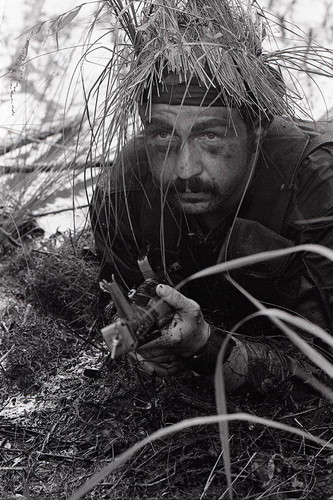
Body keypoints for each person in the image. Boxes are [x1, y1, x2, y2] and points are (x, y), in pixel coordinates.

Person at [90, 0, 333, 395]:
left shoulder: (316, 187)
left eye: (210, 135)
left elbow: (324, 367)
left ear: (255, 126)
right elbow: (111, 306)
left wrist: (206, 348)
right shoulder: (125, 191)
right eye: (163, 135)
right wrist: (138, 343)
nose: (185, 169)